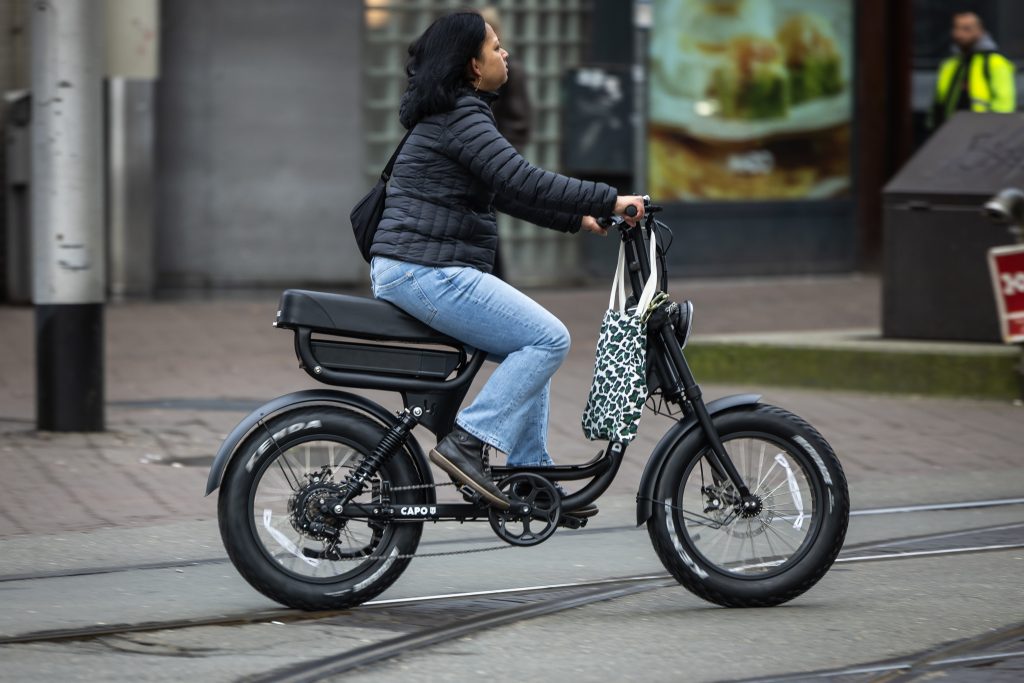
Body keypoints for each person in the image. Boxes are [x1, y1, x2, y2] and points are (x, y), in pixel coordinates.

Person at [368, 12, 644, 510]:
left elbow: (504, 191)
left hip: (418, 266)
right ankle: (468, 442)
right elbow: (523, 178)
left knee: (527, 344)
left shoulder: (456, 113)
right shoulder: (462, 115)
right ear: (473, 65)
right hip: (426, 270)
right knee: (547, 338)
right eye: (496, 47)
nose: (505, 53)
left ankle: (529, 475)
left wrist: (577, 219)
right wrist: (609, 199)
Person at [479, 5, 532, 281]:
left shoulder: (509, 75)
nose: (504, 54)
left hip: (496, 163)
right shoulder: (464, 112)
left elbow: (519, 122)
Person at [930, 11, 1016, 129]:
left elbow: (1004, 104)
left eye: (966, 29)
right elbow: (938, 104)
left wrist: (995, 131)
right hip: (950, 130)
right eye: (957, 28)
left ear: (980, 30)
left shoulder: (994, 62)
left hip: (982, 133)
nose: (960, 34)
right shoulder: (950, 64)